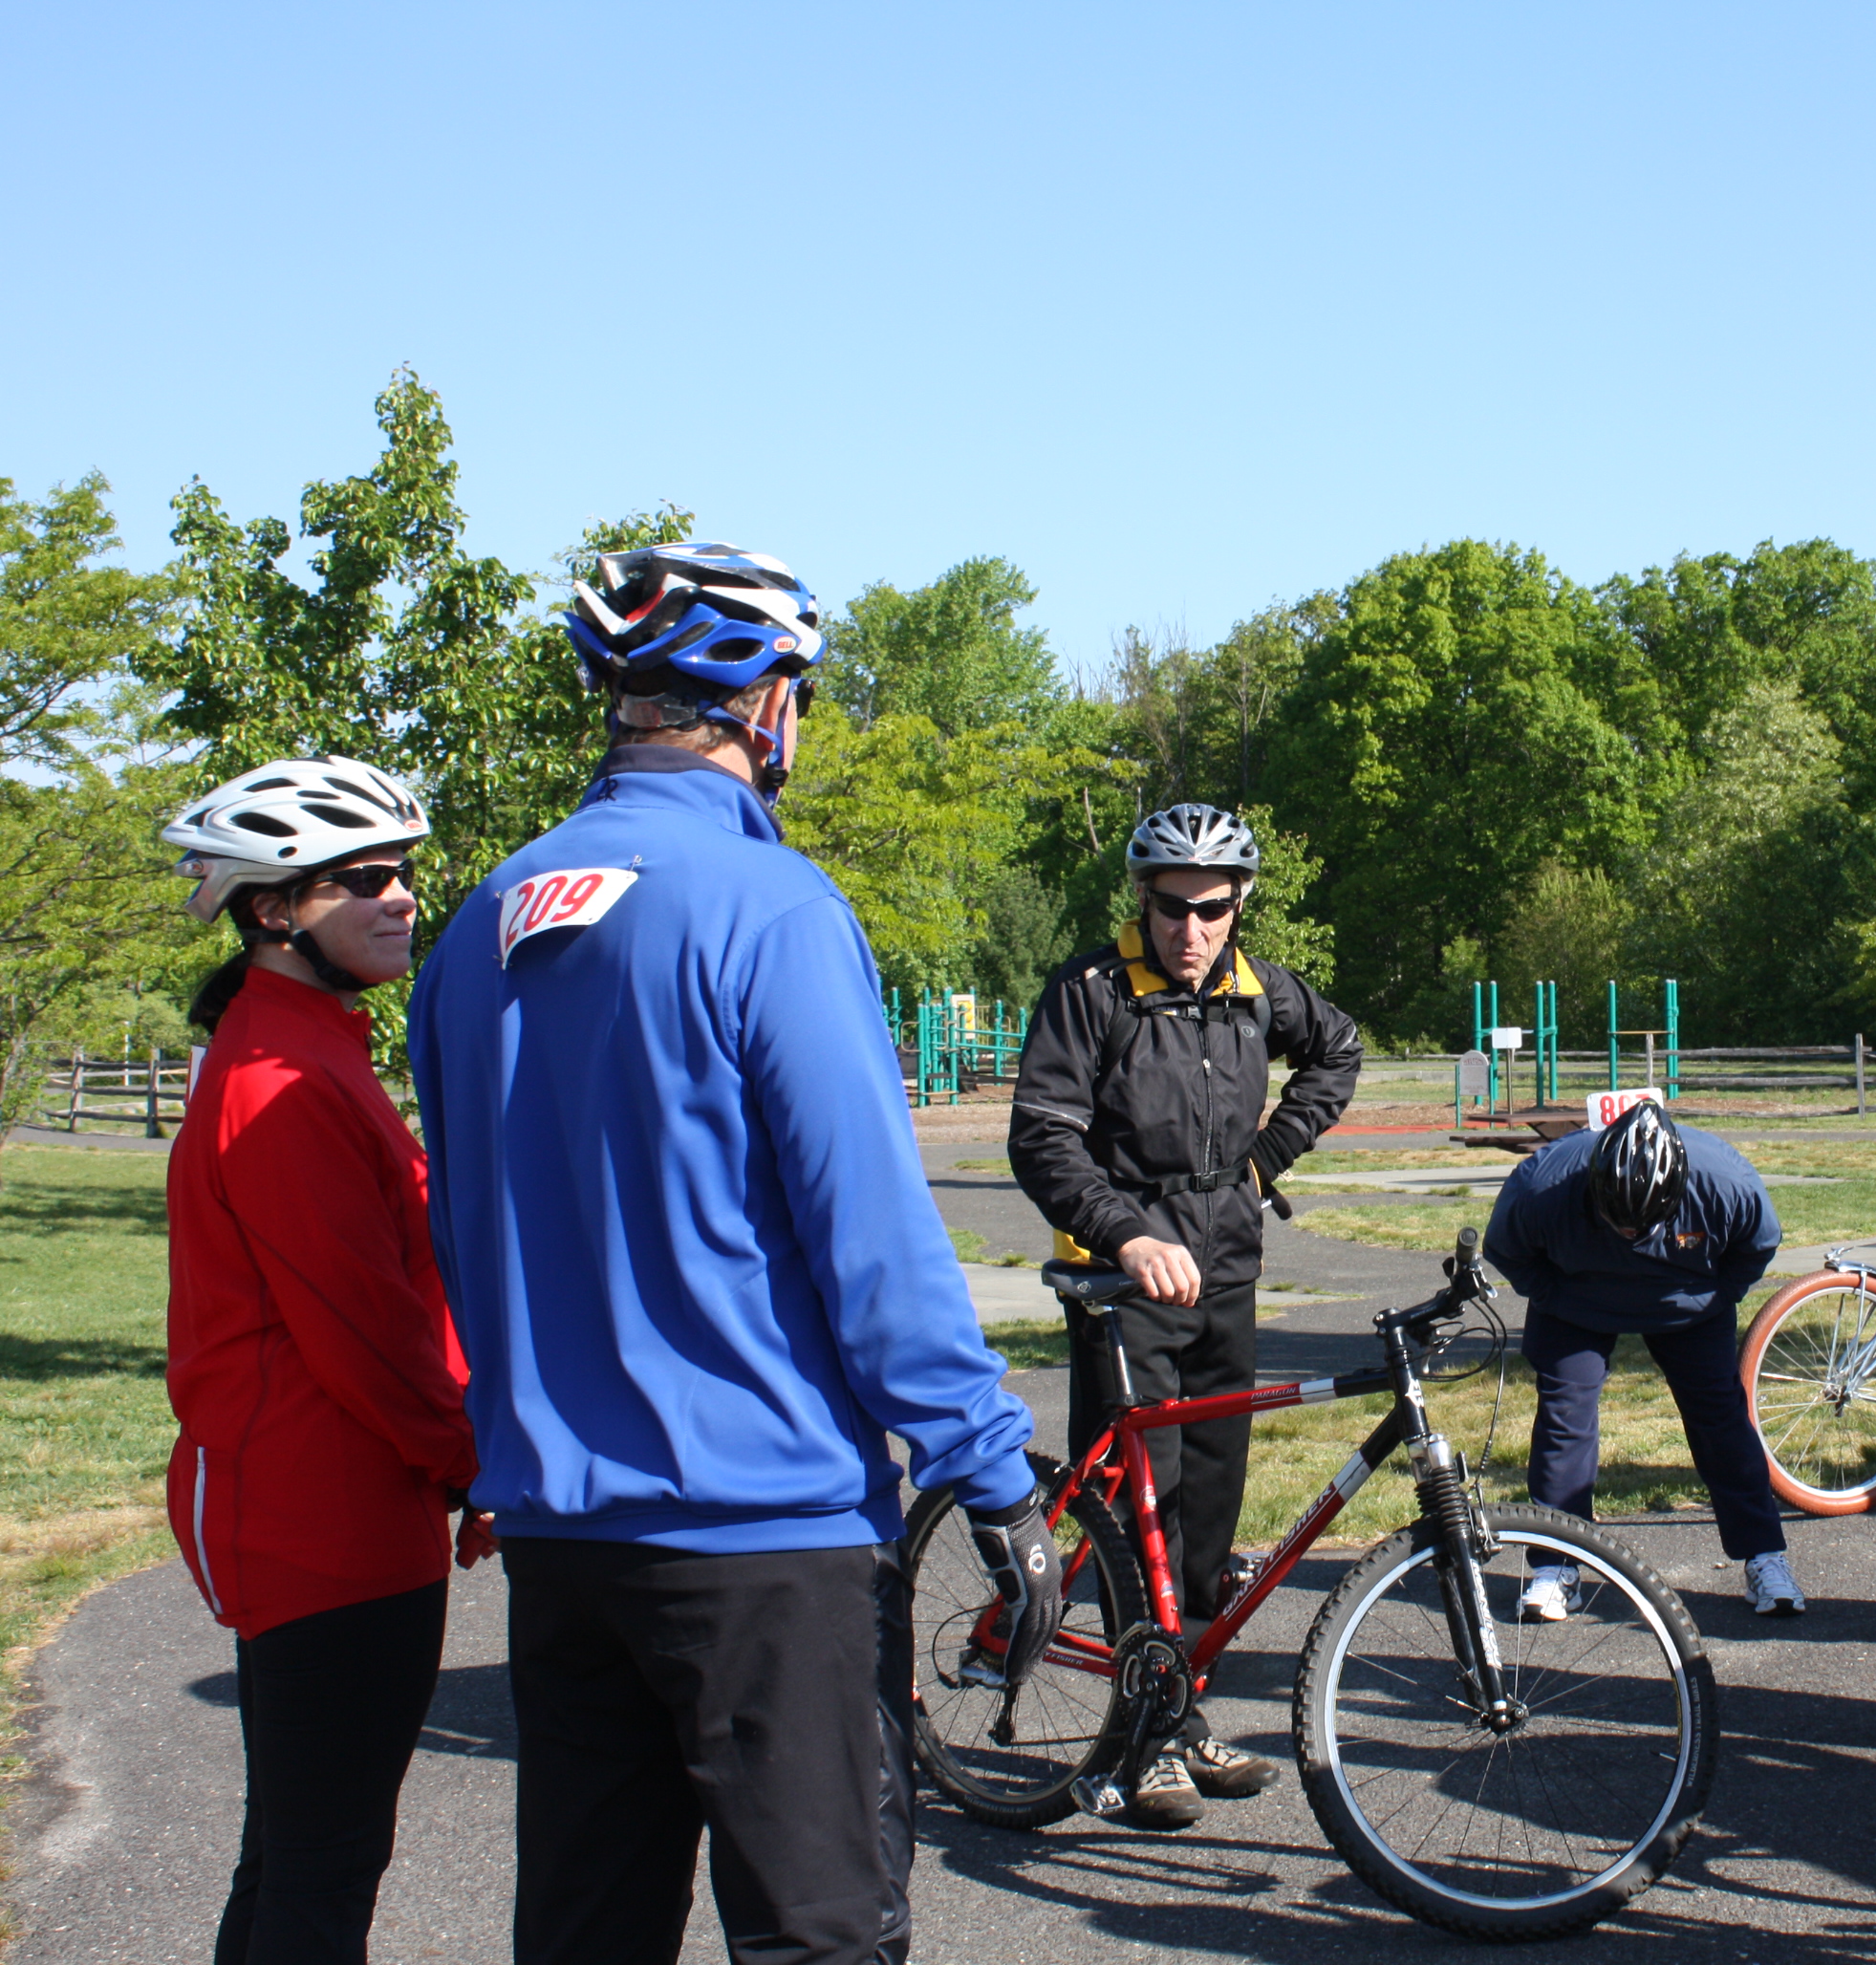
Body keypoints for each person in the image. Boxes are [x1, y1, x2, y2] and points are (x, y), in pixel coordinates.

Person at [407, 543, 1054, 1965]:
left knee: (588, 1933)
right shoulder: (776, 912)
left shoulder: (477, 929)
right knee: (819, 1937)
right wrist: (988, 1467)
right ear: (766, 705)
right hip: (766, 1537)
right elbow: (873, 1244)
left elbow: (458, 1234)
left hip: (565, 1539)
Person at [161, 756, 485, 1965]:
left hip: (350, 1500)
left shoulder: (309, 1041)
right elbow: (362, 1326)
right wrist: (473, 1461)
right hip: (321, 1515)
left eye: (404, 871)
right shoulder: (281, 1079)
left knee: (300, 1852)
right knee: (321, 1864)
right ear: (270, 909)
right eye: (364, 878)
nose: (402, 896)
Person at [1006, 802, 1363, 1829]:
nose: (1190, 932)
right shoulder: (1093, 992)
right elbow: (1042, 1136)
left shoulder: (1256, 992)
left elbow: (1337, 1050)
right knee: (1137, 1507)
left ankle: (1178, 1699)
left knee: (1209, 1497)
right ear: (1143, 901)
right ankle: (1138, 1732)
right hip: (1124, 1282)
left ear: (1239, 903)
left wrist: (1261, 1163)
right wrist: (1124, 1233)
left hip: (1225, 1264)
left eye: (1211, 910)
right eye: (1170, 909)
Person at [1481, 1098, 1801, 1619]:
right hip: (1577, 1302)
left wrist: (1714, 1300)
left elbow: (1755, 1249)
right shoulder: (1541, 1185)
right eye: (1617, 1221)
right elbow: (1507, 1251)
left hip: (1688, 1303)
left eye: (1643, 1224)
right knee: (1565, 1419)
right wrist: (1556, 1299)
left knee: (1721, 1419)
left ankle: (1765, 1556)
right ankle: (1556, 1565)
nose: (1630, 1235)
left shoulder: (1726, 1182)